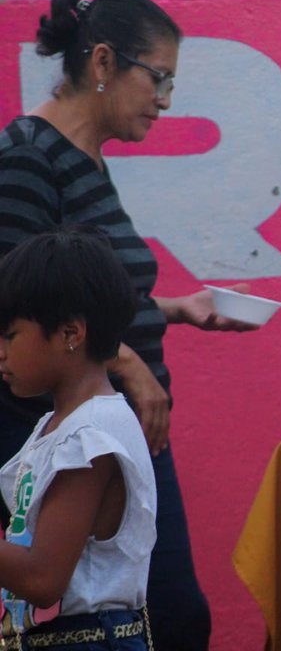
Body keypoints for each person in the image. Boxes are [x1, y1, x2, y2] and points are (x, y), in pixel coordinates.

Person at [0, 0, 258, 649]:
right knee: (155, 616)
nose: (165, 100)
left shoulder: (83, 157)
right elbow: (21, 298)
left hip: (115, 430)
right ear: (104, 63)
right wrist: (133, 366)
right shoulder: (29, 155)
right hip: (65, 435)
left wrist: (176, 309)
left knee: (163, 615)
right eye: (158, 78)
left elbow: (80, 292)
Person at [0, 227, 154, 648]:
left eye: (10, 335)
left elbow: (42, 577)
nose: (1, 352)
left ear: (70, 334)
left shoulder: (90, 436)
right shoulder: (57, 426)